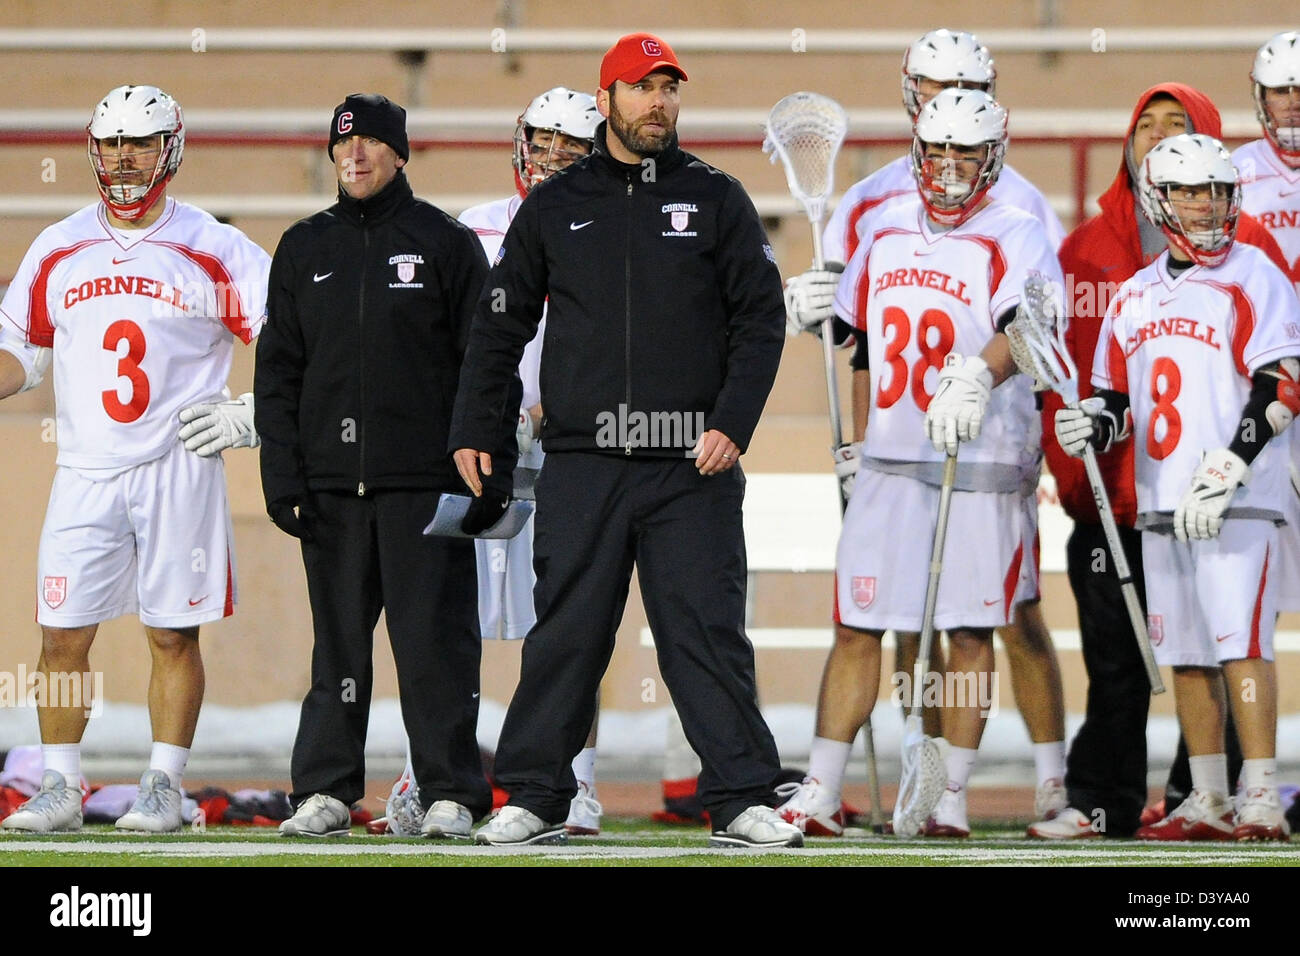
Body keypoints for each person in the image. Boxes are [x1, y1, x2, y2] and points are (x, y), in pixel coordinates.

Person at [450, 32, 799, 848]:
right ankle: (537, 796)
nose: (659, 104)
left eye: (669, 89)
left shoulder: (716, 197)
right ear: (606, 99)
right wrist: (476, 423)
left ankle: (743, 796)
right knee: (566, 634)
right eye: (642, 89)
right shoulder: (556, 203)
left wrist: (731, 424)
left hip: (691, 464)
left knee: (706, 634)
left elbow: (761, 318)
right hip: (584, 461)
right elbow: (501, 324)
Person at [778, 28, 1068, 835]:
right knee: (859, 621)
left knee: (970, 630)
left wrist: (980, 371)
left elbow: (1032, 326)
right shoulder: (881, 225)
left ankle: (948, 795)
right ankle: (823, 789)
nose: (946, 172)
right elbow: (860, 338)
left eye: (963, 158)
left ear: (994, 155)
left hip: (978, 459)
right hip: (892, 459)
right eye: (934, 154)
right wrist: (812, 316)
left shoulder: (1019, 225)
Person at [0, 85, 268, 834]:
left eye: (139, 142)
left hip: (177, 461)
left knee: (172, 633)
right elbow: (21, 350)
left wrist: (259, 411)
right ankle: (59, 784)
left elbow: (287, 334)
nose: (123, 157)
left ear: (168, 149)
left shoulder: (215, 245)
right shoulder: (58, 243)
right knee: (59, 634)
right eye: (112, 141)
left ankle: (162, 784)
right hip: (84, 466)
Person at [1029, 84, 1291, 839]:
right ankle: (1206, 796)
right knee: (1186, 655)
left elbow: (1284, 386)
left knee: (1241, 645)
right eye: (1190, 194)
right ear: (1157, 196)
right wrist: (1092, 423)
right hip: (1159, 499)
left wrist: (1234, 466)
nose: (1208, 207)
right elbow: (1118, 396)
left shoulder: (1256, 275)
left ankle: (1262, 795)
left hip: (1235, 496)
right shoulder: (1135, 294)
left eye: (1217, 193)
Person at [256, 93, 512, 839]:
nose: (354, 156)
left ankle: (452, 794)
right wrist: (283, 474)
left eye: (370, 144)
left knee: (434, 649)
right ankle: (327, 790)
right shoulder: (304, 247)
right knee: (336, 649)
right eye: (343, 145)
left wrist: (486, 468)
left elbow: (487, 363)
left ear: (399, 153)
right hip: (332, 491)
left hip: (423, 489)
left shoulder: (445, 242)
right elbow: (277, 374)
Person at [382, 87, 606, 837]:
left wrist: (551, 414)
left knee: (572, 623)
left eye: (567, 149)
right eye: (540, 143)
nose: (547, 160)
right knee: (446, 628)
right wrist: (478, 419)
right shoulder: (471, 230)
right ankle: (433, 774)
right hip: (479, 455)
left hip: (571, 453)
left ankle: (576, 782)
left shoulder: (612, 232)